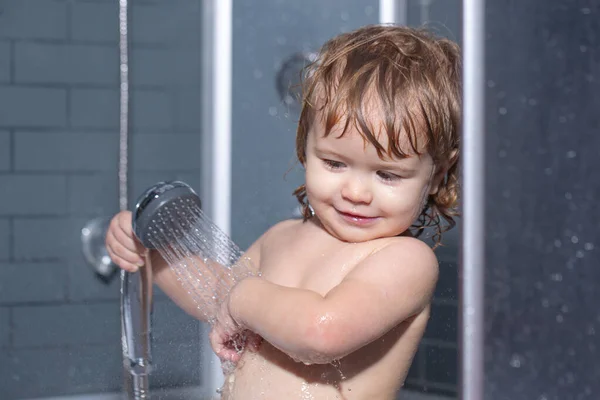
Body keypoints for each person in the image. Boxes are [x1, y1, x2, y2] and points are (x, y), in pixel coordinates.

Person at [106, 24, 461, 399]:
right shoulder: (281, 237)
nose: (356, 192)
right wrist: (154, 250)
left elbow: (322, 333)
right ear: (304, 148)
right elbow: (216, 298)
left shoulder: (405, 261)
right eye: (335, 164)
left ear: (436, 175)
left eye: (387, 175)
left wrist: (242, 299)